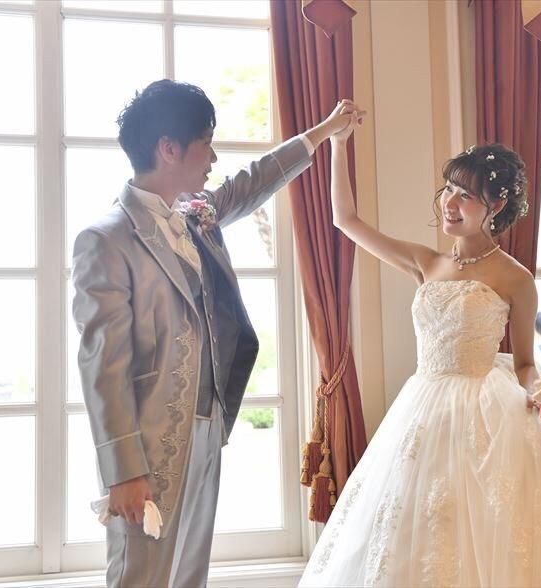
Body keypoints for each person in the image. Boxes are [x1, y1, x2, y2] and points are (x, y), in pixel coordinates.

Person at [298, 100, 541, 588]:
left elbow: (526, 363)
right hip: (423, 409)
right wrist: (339, 145)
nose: (450, 202)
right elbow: (345, 221)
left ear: (497, 206)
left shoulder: (516, 278)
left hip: (487, 415)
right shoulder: (427, 262)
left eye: (466, 195)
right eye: (449, 189)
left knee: (497, 537)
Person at [71, 80, 350, 587]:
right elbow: (102, 366)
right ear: (169, 148)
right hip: (148, 441)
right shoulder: (106, 239)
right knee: (141, 577)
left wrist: (323, 132)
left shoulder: (196, 213)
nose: (214, 157)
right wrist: (123, 470)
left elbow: (253, 182)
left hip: (208, 426)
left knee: (189, 575)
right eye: (206, 142)